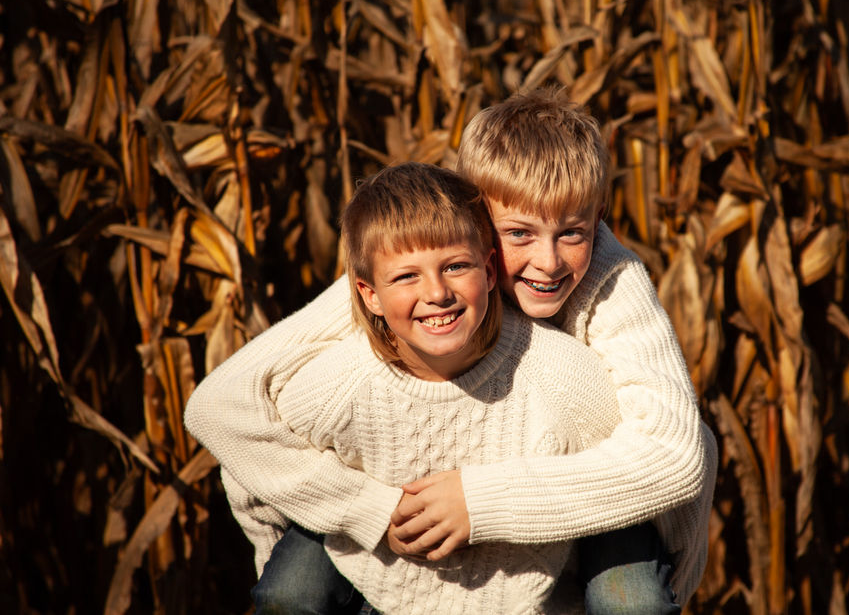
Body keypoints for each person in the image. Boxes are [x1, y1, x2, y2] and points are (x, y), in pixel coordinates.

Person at [184, 89, 716, 613]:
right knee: (289, 595)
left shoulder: (615, 284)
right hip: (408, 489)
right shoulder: (428, 272)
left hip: (584, 483)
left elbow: (674, 455)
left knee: (632, 602)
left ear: (597, 220)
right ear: (476, 214)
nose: (548, 262)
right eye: (518, 234)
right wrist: (366, 507)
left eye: (572, 232)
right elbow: (225, 402)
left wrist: (479, 502)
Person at [240, 162, 625, 612]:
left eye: (456, 267)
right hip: (380, 596)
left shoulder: (560, 374)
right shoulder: (338, 386)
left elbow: (650, 472)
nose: (437, 292)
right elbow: (249, 469)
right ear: (369, 295)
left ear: (488, 267)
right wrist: (290, 553)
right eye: (406, 276)